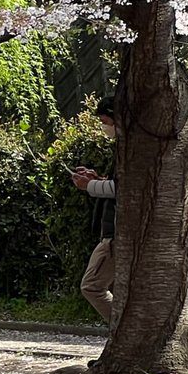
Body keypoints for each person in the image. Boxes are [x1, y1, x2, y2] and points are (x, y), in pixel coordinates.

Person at [70, 98, 117, 326]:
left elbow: (123, 189)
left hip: (115, 234)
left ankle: (122, 328)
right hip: (112, 231)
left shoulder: (131, 148)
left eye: (105, 122)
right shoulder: (124, 147)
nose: (103, 127)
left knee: (91, 286)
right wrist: (97, 179)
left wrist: (90, 185)